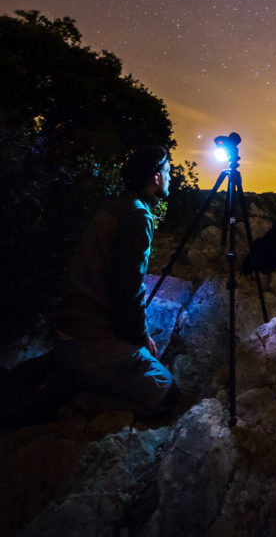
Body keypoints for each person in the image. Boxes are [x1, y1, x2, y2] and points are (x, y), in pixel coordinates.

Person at [53, 146, 179, 416]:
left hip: (72, 329)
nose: (170, 177)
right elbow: (127, 291)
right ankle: (85, 402)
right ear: (156, 178)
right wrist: (141, 337)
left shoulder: (119, 206)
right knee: (168, 393)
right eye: (167, 171)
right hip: (88, 340)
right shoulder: (137, 216)